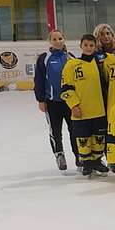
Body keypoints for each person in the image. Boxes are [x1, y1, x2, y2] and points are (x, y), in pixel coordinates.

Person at [60, 34, 109, 177]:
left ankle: (97, 161)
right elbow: (65, 88)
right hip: (81, 110)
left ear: (95, 46)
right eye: (86, 45)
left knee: (98, 138)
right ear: (80, 46)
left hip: (100, 110)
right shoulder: (72, 65)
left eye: (91, 45)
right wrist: (74, 105)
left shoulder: (101, 61)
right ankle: (87, 163)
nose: (88, 48)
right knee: (83, 138)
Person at [34, 30, 77, 170]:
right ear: (50, 41)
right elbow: (39, 80)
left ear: (64, 39)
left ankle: (79, 157)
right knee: (55, 131)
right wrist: (40, 100)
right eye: (54, 39)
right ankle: (59, 154)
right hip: (52, 102)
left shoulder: (70, 57)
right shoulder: (44, 58)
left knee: (75, 130)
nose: (58, 41)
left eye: (60, 38)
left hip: (70, 102)